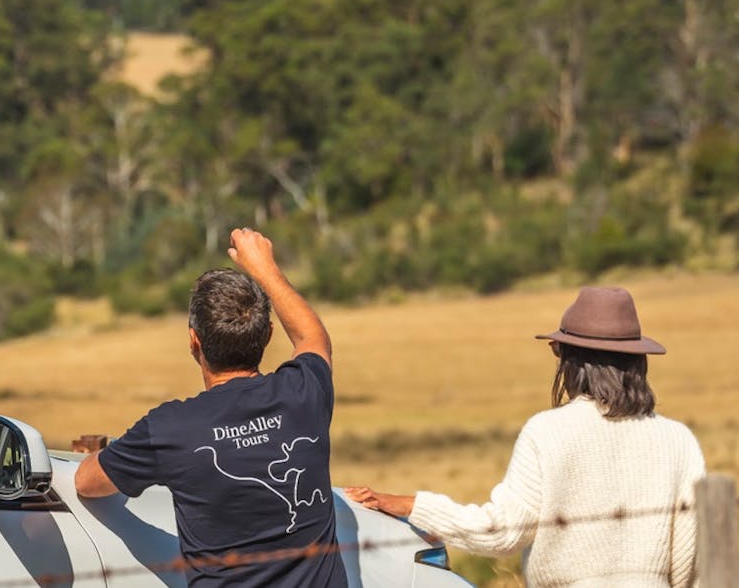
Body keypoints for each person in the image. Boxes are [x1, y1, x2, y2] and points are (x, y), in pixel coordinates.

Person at [345, 285, 705, 588]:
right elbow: (691, 557)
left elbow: (502, 532)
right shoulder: (679, 441)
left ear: (573, 361)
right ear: (637, 362)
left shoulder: (548, 431)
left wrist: (412, 506)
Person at [75, 228, 347, 588]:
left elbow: (86, 483)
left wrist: (110, 455)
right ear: (267, 334)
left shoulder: (170, 428)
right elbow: (313, 338)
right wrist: (265, 268)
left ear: (194, 341)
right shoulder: (304, 393)